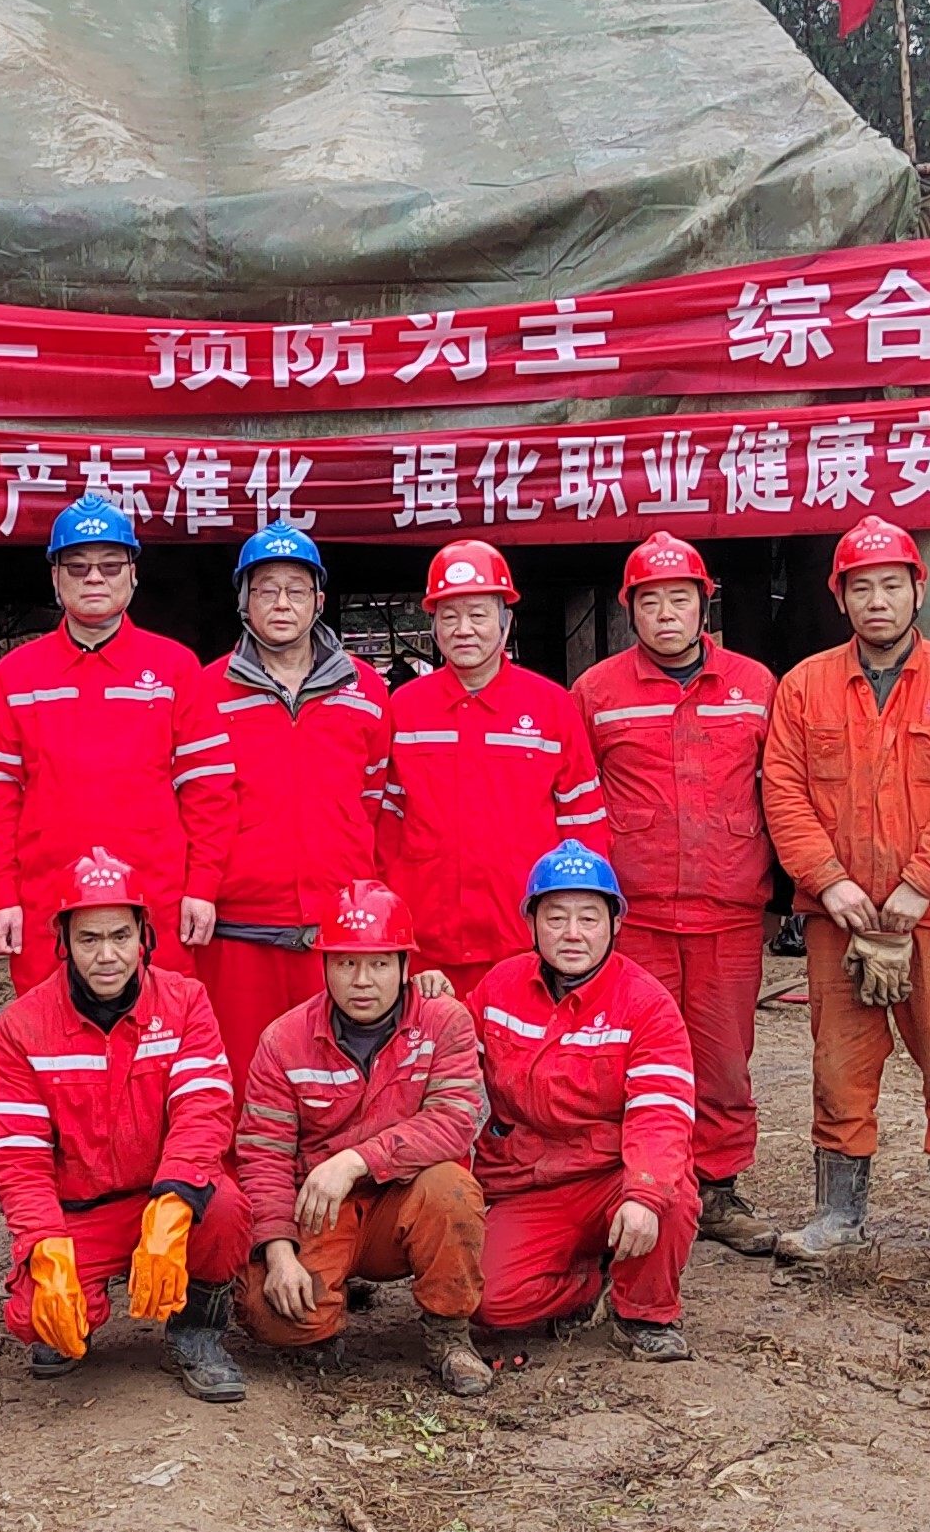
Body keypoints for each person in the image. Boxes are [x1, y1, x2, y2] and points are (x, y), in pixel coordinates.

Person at [760, 518, 930, 1284]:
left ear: (916, 590)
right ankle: (838, 1214)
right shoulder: (804, 687)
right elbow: (785, 792)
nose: (877, 600)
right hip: (839, 915)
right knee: (839, 1064)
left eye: (891, 585)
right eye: (860, 587)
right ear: (838, 597)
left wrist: (920, 883)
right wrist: (827, 880)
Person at [572, 532, 782, 1258]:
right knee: (629, 1055)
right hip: (636, 914)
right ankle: (636, 1186)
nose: (666, 614)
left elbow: (783, 792)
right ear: (630, 609)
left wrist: (781, 899)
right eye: (650, 601)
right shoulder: (596, 692)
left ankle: (717, 1188)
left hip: (729, 906)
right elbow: (574, 798)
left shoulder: (755, 686)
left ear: (704, 604)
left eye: (679, 599)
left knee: (723, 1058)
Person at [0, 849, 250, 1402]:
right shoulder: (22, 1026)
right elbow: (19, 1157)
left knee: (223, 1208)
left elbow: (203, 1111)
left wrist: (174, 1203)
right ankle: (85, 1293)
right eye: (89, 939)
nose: (107, 955)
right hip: (82, 1213)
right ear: (63, 941)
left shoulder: (185, 1002)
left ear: (144, 936)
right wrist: (43, 1245)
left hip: (163, 1198)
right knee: (36, 1319)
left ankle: (198, 1331)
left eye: (120, 936)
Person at [232, 882, 491, 1395]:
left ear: (405, 965)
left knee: (452, 1189)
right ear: (324, 965)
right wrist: (278, 1253)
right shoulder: (284, 1040)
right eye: (346, 963)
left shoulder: (444, 1021)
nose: (362, 980)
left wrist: (354, 1160)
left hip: (408, 1200)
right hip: (322, 1211)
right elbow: (263, 1153)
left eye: (378, 963)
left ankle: (449, 1334)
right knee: (272, 1314)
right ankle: (330, 1311)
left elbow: (454, 1120)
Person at [0, 496, 235, 993]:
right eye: (78, 567)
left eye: (110, 566)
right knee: (49, 1031)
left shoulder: (176, 668)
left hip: (156, 902)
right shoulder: (16, 675)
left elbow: (209, 792)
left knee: (161, 1027)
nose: (94, 578)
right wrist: (2, 897)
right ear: (54, 576)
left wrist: (202, 887)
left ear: (133, 574)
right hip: (48, 905)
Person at [467, 843, 700, 1364]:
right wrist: (425, 1001)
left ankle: (644, 1315)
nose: (572, 933)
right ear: (532, 923)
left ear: (615, 924)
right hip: (531, 1180)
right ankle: (590, 1282)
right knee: (487, 1301)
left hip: (612, 1173)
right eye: (556, 917)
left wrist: (644, 1194)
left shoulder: (646, 1004)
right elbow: (448, 1064)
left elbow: (661, 1111)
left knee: (671, 1196)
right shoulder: (499, 987)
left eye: (589, 918)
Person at [178, 521, 392, 1075]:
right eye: (265, 589)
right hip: (237, 932)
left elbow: (371, 800)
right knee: (238, 1078)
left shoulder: (366, 689)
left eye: (296, 589)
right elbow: (194, 802)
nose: (281, 603)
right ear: (243, 601)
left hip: (336, 928)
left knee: (334, 1081)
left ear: (319, 599)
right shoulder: (205, 691)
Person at [382, 539, 605, 993]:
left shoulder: (551, 707)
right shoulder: (403, 709)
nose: (464, 629)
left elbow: (583, 823)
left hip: (522, 938)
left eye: (478, 615)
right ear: (434, 627)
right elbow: (385, 828)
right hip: (427, 945)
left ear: (506, 623)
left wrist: (574, 923)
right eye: (449, 616)